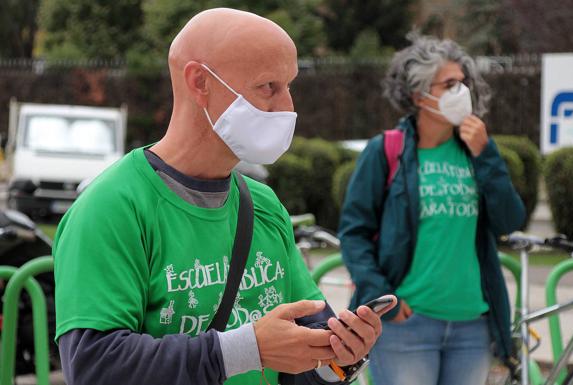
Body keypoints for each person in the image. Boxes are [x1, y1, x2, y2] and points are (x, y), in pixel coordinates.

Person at [53, 8, 396, 385]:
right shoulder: (111, 208)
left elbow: (304, 347)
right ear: (200, 81)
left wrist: (339, 354)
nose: (287, 107)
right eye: (268, 86)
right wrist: (248, 349)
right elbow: (94, 367)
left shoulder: (264, 205)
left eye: (289, 86)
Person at [338, 33, 525, 385]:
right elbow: (354, 232)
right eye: (450, 84)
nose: (462, 92)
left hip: (473, 325)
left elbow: (510, 220)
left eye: (464, 82)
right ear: (418, 95)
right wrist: (381, 295)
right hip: (407, 326)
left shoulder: (477, 149)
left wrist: (487, 155)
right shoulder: (386, 150)